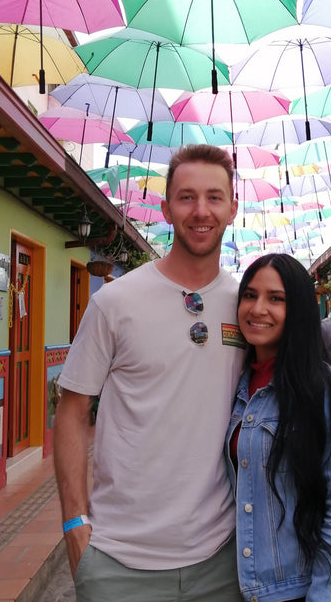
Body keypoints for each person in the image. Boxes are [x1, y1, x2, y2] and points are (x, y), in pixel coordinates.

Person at [54, 145, 246, 602]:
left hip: (222, 559)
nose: (201, 211)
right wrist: (76, 528)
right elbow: (72, 412)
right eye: (186, 197)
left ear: (233, 208)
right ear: (165, 208)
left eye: (215, 197)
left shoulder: (246, 306)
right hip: (120, 563)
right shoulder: (115, 302)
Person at [228, 254, 331, 602]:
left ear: (300, 310)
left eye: (276, 298)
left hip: (323, 588)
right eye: (249, 295)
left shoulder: (327, 389)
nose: (258, 308)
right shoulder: (237, 387)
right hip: (266, 590)